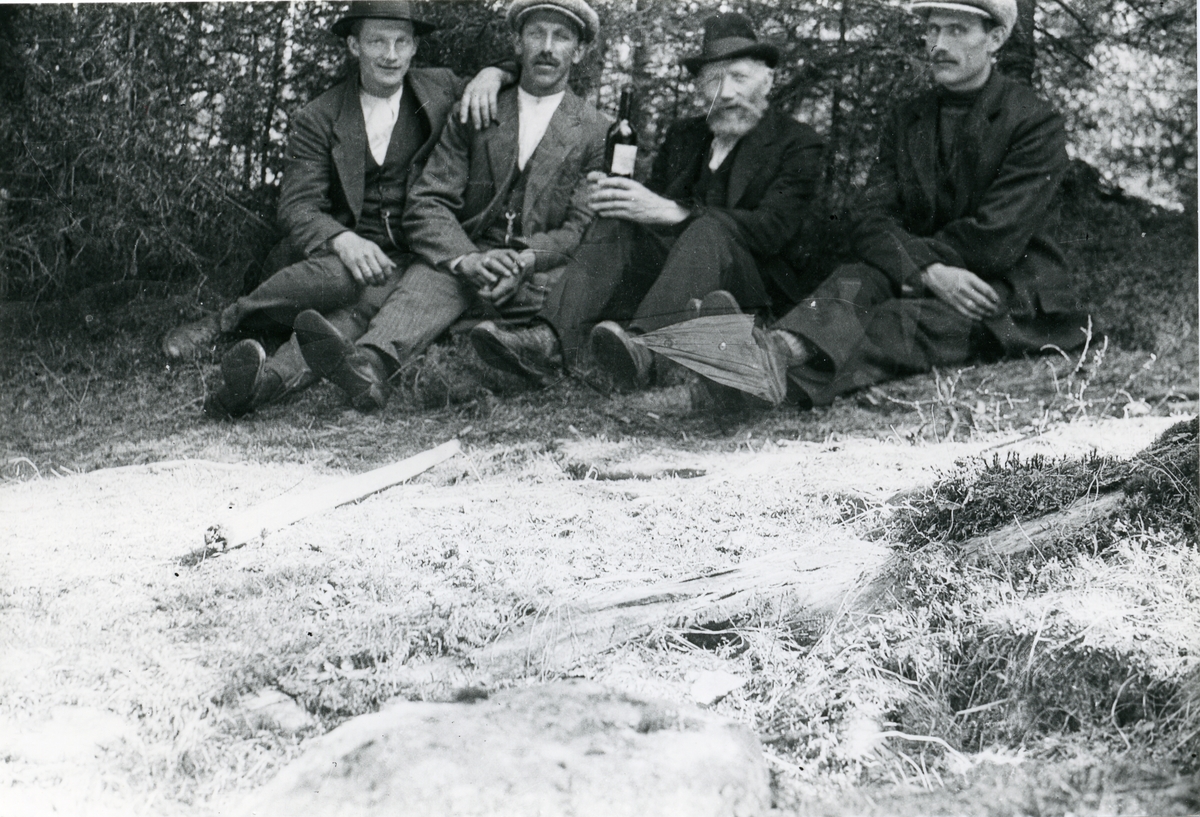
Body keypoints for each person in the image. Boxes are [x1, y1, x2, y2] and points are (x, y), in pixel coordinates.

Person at [684, 0, 1090, 409]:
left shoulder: (1034, 121)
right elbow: (870, 220)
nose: (939, 44)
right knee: (854, 279)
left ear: (996, 38)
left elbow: (996, 237)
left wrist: (916, 267)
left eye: (957, 30)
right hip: (926, 277)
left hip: (999, 294)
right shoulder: (908, 119)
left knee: (894, 323)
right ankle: (766, 359)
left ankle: (756, 373)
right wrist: (926, 272)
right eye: (933, 30)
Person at [161, 0, 509, 419]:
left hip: (415, 254)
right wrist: (344, 240)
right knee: (345, 281)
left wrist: (494, 73)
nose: (391, 55)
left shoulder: (441, 89)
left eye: (401, 42)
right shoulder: (320, 116)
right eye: (377, 42)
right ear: (353, 45)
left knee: (345, 322)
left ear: (415, 47)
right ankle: (227, 321)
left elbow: (526, 73)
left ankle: (260, 385)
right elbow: (298, 205)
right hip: (346, 255)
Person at [467, 12, 824, 391]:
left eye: (739, 77)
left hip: (747, 293)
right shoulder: (686, 135)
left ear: (767, 81)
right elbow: (652, 210)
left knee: (710, 228)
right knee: (617, 218)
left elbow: (773, 231)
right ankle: (546, 340)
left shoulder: (797, 143)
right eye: (714, 80)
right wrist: (621, 196)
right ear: (700, 88)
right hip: (678, 286)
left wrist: (676, 212)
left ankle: (643, 350)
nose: (726, 93)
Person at [292, 0, 608, 411]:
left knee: (567, 291)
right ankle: (370, 365)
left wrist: (526, 259)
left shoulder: (596, 131)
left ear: (578, 51)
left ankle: (499, 351)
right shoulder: (475, 109)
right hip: (470, 254)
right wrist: (466, 258)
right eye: (536, 33)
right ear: (517, 42)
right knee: (431, 278)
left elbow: (581, 226)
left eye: (561, 37)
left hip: (539, 264)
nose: (547, 47)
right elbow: (428, 200)